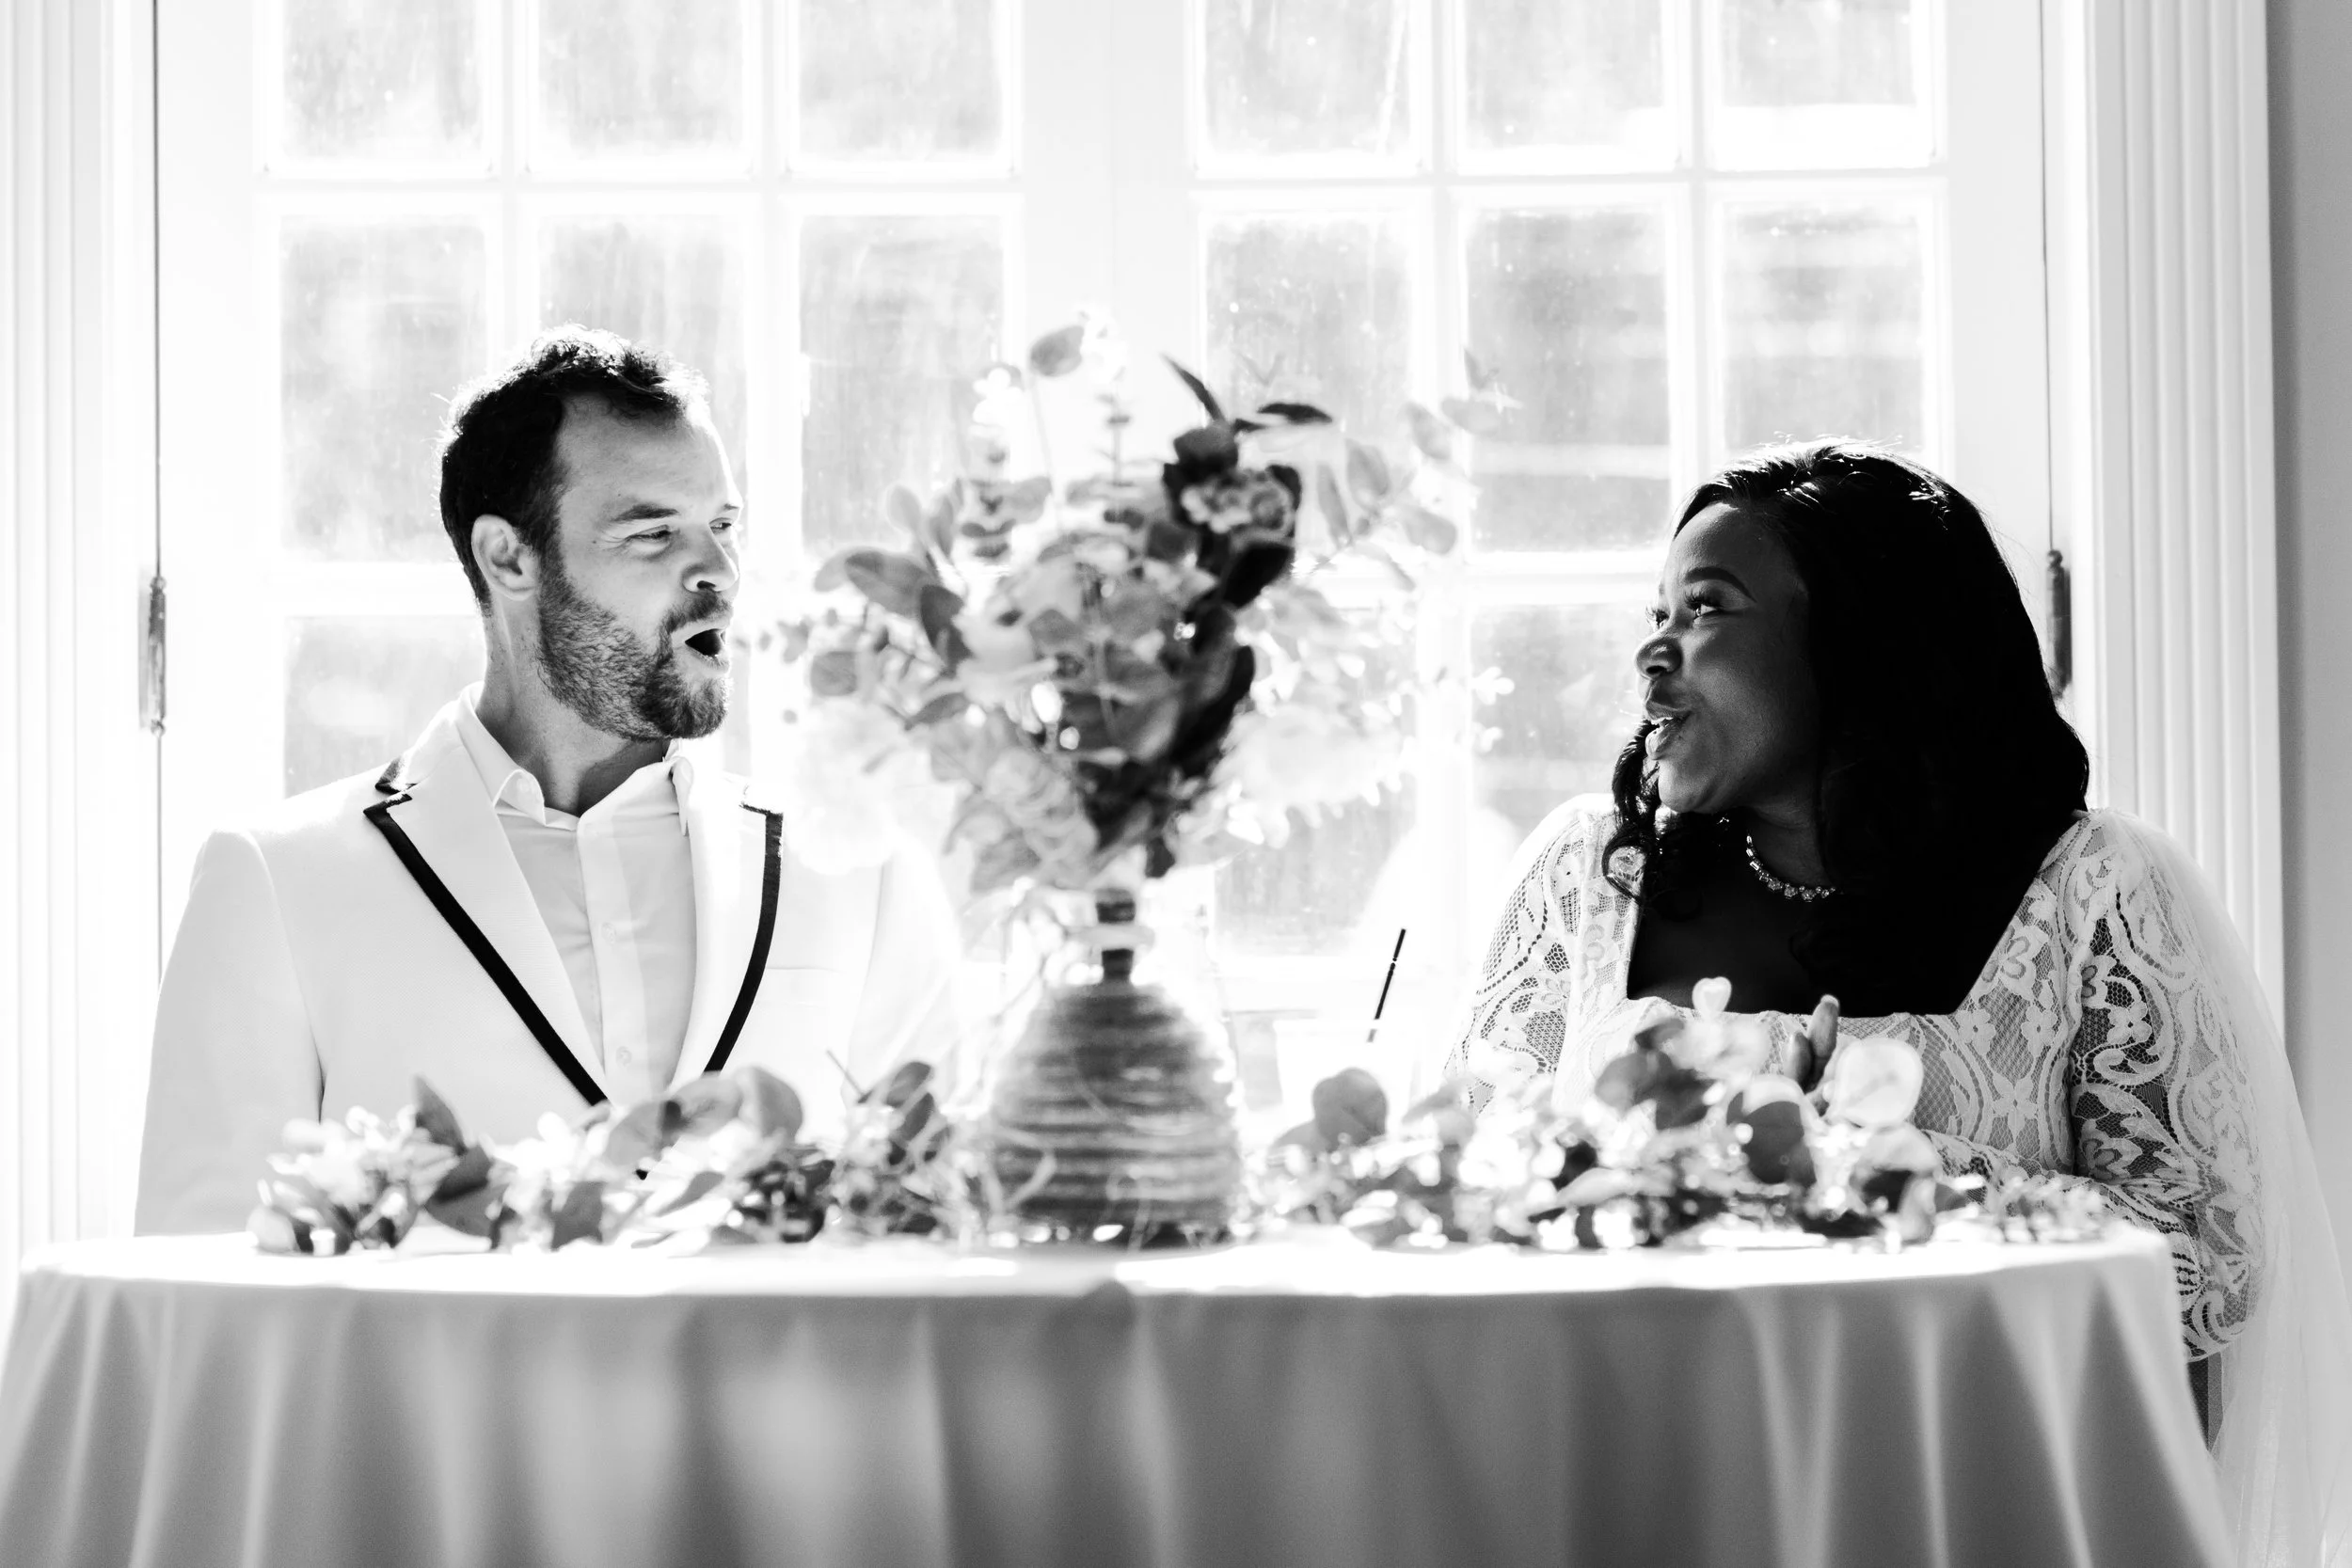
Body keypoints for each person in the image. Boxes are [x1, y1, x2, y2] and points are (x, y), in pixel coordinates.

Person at [1446, 441, 2352, 1566]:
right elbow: (1474, 1184)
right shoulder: (1589, 880)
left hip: (1959, 1501)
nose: (1652, 651)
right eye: (1657, 610)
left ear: (1857, 642)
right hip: (1631, 1491)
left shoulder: (2091, 893)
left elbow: (2204, 1273)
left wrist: (1875, 1160)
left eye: (1707, 608)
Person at [137, 326, 961, 1234]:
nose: (719, 575)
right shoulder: (277, 882)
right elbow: (198, 1279)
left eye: (723, 527)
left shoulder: (862, 872)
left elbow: (941, 1237)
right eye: (653, 533)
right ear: (509, 558)